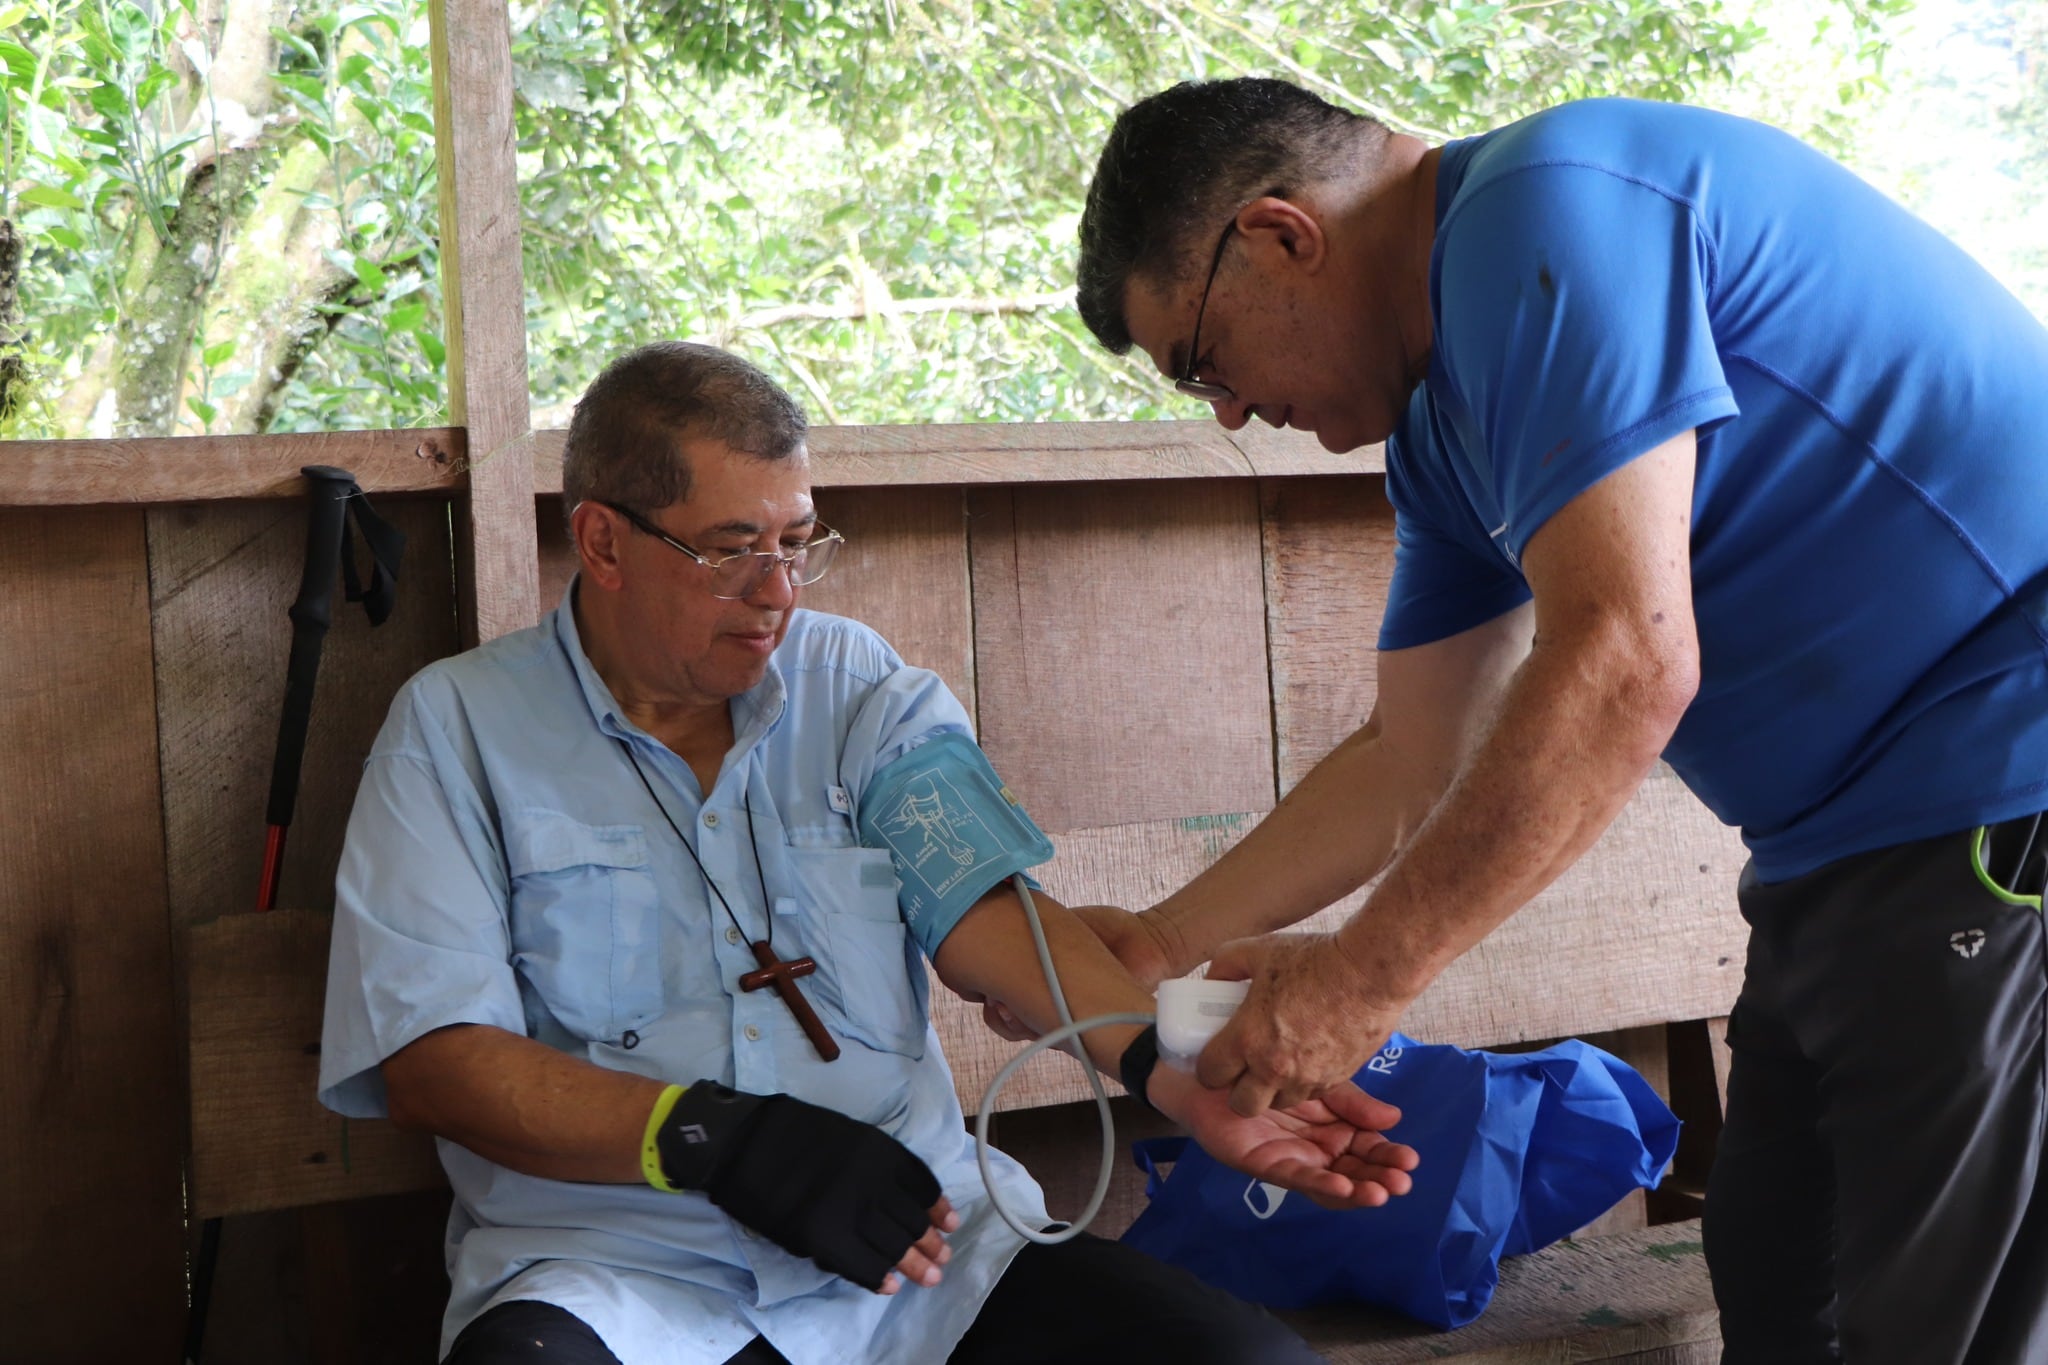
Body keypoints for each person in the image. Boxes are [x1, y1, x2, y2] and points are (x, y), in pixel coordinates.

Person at [1061, 78, 2048, 1364]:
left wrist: (1361, 980)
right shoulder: (1440, 434)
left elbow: (1628, 658)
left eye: (1202, 361)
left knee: (1939, 1332)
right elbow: (1410, 754)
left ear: (1279, 236)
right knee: (1773, 1296)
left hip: (1992, 792)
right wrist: (1164, 937)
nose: (1230, 412)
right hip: (1831, 862)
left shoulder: (1550, 210)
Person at [316, 340, 1417, 1365]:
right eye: (731, 551)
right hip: (617, 1278)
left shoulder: (859, 694)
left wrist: (1164, 1070)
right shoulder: (456, 731)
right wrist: (711, 1138)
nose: (776, 595)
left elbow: (985, 909)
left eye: (797, 545)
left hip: (928, 1253)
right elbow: (431, 1058)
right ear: (602, 540)